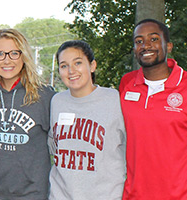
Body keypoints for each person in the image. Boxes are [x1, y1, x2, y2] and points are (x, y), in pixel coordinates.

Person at [118, 19, 187, 200]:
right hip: (133, 195)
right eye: (139, 41)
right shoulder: (127, 84)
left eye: (153, 39)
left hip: (182, 195)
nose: (145, 45)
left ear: (168, 46)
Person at [0, 29, 55, 200]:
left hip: (31, 194)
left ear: (24, 56)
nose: (7, 60)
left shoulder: (45, 96)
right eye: (0, 54)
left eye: (14, 53)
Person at [48, 40, 126, 200]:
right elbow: (52, 146)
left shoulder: (115, 100)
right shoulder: (56, 101)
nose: (71, 71)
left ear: (92, 65)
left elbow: (131, 150)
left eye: (78, 63)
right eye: (64, 66)